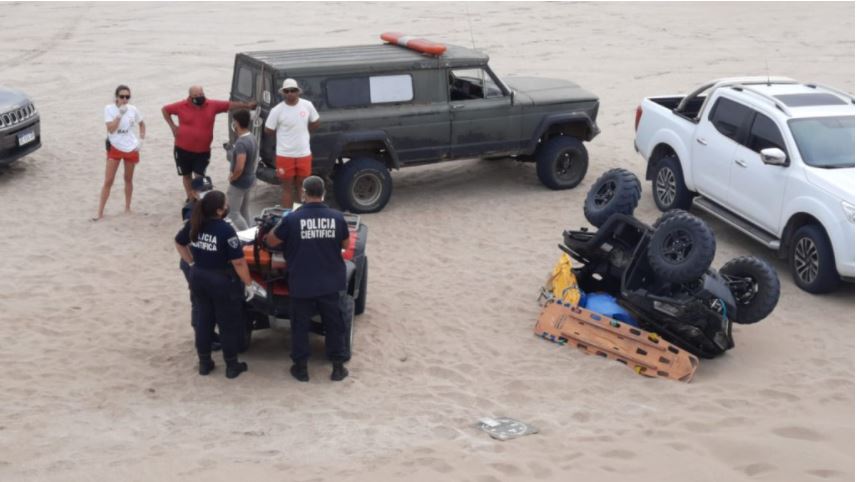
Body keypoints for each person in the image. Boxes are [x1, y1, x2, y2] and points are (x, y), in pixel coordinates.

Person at [265, 176, 350, 382]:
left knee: (300, 326)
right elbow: (346, 244)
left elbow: (271, 240)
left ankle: (301, 368)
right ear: (323, 193)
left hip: (302, 281)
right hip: (330, 281)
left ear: (304, 193)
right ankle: (337, 367)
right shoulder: (337, 217)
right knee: (334, 325)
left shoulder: (292, 219)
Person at [175, 190, 252, 379]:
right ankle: (232, 365)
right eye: (225, 205)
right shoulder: (225, 230)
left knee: (204, 321)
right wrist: (248, 283)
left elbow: (179, 242)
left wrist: (192, 263)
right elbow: (239, 262)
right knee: (227, 323)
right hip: (220, 281)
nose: (227, 207)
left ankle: (204, 363)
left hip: (199, 277)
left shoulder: (195, 223)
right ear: (219, 211)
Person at [162, 86, 256, 201]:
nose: (200, 97)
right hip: (182, 148)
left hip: (203, 150)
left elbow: (230, 105)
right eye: (196, 96)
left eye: (201, 94)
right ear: (190, 97)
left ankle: (199, 197)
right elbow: (165, 110)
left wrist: (247, 105)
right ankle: (191, 198)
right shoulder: (181, 106)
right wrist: (173, 127)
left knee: (199, 175)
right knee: (186, 175)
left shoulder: (212, 105)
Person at [264, 78, 320, 209]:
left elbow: (316, 122)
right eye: (287, 91)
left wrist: (305, 132)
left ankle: (301, 215)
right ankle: (287, 217)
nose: (290, 93)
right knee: (287, 188)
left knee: (303, 186)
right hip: (284, 155)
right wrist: (283, 137)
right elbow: (268, 129)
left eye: (293, 90)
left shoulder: (307, 105)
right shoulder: (277, 110)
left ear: (298, 92)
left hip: (303, 154)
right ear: (283, 93)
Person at [179, 176, 221, 352]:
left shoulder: (207, 207)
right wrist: (192, 262)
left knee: (208, 302)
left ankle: (209, 335)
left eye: (209, 189)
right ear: (193, 193)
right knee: (198, 302)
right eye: (203, 190)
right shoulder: (191, 211)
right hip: (194, 261)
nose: (206, 193)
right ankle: (202, 338)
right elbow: (185, 239)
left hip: (204, 260)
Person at [95, 84, 145, 221]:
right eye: (122, 96)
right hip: (115, 147)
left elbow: (142, 123)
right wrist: (119, 115)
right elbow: (111, 129)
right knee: (108, 180)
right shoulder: (109, 109)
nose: (124, 99)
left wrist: (141, 140)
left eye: (127, 97)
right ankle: (100, 212)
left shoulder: (133, 109)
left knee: (128, 179)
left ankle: (128, 208)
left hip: (131, 147)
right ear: (116, 97)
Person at [225, 109, 258, 230]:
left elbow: (239, 167)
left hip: (239, 182)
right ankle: (250, 231)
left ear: (236, 123)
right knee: (244, 210)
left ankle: (248, 236)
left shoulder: (241, 143)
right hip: (249, 179)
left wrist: (233, 177)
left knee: (233, 213)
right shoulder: (252, 137)